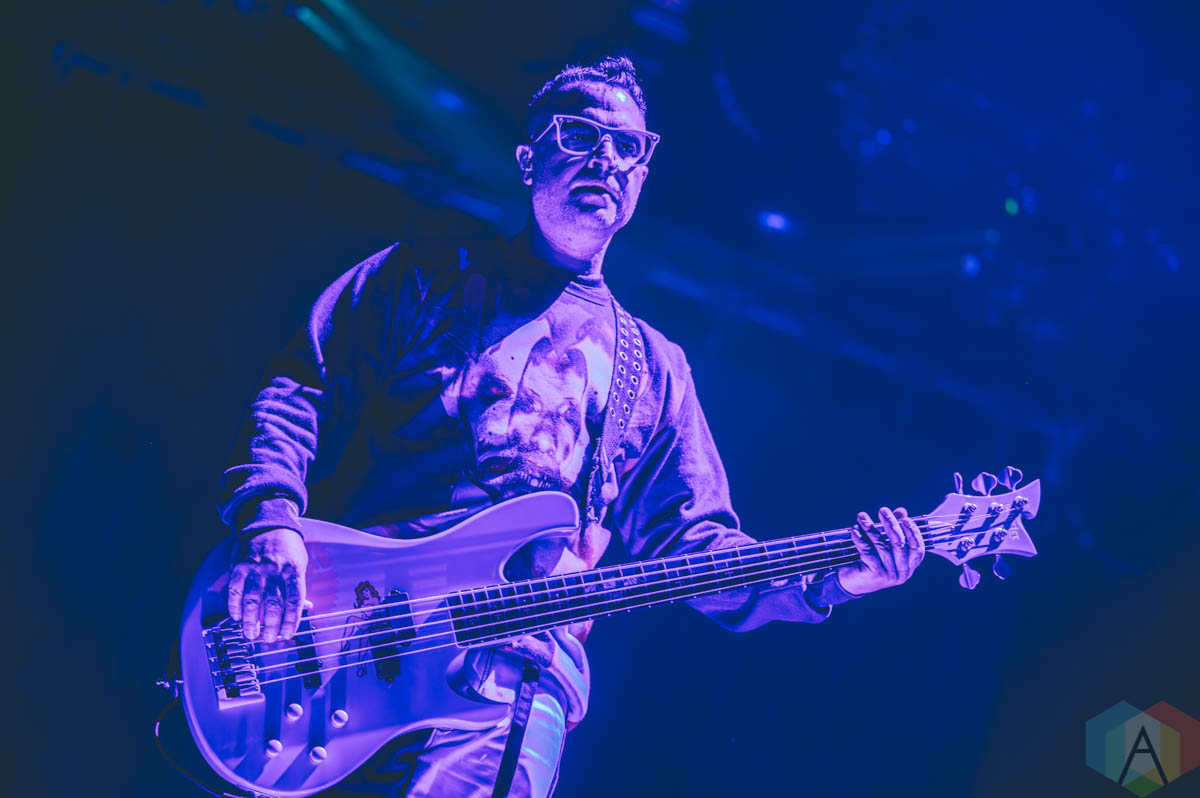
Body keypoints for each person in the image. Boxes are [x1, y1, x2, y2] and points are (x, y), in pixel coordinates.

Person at [218, 55, 925, 798]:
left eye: (629, 146)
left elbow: (701, 548)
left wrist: (836, 576)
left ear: (643, 175)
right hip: (340, 645)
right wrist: (271, 518)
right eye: (581, 135)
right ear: (530, 159)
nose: (607, 159)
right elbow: (301, 387)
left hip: (512, 687)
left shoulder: (654, 368)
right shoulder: (422, 278)